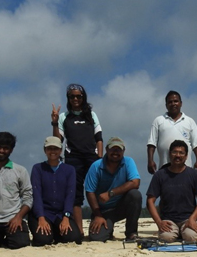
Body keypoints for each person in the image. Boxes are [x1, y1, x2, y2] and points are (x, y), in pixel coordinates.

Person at [51, 84, 103, 237]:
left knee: (96, 191)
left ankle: (98, 225)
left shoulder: (91, 115)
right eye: (72, 96)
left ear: (83, 97)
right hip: (73, 158)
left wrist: (100, 159)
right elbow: (57, 140)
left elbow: (99, 138)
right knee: (75, 194)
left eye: (78, 96)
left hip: (92, 158)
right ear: (68, 98)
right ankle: (79, 230)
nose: (75, 99)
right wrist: (54, 122)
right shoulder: (64, 117)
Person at [146, 140, 197, 242]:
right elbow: (150, 201)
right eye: (174, 152)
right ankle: (177, 233)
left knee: (191, 237)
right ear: (169, 154)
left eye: (181, 153)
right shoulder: (159, 175)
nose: (178, 155)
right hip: (168, 219)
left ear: (186, 156)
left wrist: (192, 218)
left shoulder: (195, 175)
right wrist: (159, 222)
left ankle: (183, 232)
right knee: (166, 238)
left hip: (189, 218)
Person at [85, 137, 142, 242]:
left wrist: (111, 193)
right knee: (97, 238)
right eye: (112, 149)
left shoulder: (128, 162)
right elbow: (89, 191)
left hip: (121, 207)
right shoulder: (96, 166)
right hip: (103, 210)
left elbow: (135, 183)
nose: (115, 152)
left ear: (123, 151)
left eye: (119, 149)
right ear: (107, 149)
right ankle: (108, 229)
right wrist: (98, 215)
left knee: (135, 195)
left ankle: (131, 233)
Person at [29, 136, 82, 246]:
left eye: (55, 148)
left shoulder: (69, 170)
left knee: (74, 238)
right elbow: (36, 194)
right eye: (49, 148)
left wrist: (66, 217)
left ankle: (57, 232)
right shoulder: (38, 168)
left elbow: (70, 194)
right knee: (43, 240)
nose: (52, 151)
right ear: (45, 150)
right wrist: (41, 218)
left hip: (60, 213)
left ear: (60, 150)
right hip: (43, 212)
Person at [147, 91, 197, 175]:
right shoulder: (158, 120)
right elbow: (151, 143)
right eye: (170, 102)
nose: (173, 104)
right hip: (164, 167)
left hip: (185, 167)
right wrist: (150, 160)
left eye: (176, 101)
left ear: (181, 103)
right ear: (166, 105)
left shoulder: (190, 121)